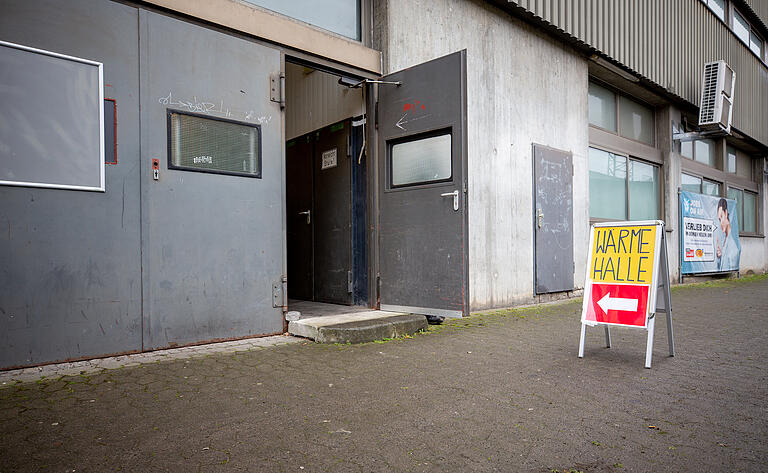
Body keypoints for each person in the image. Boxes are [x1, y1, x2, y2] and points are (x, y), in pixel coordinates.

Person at [715, 198, 739, 271]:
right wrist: (719, 257)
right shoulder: (724, 239)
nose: (720, 223)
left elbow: (730, 269)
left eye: (721, 217)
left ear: (726, 213)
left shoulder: (733, 244)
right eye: (719, 219)